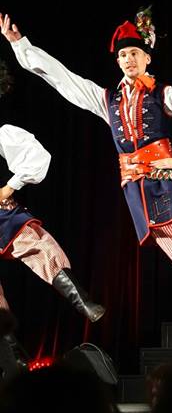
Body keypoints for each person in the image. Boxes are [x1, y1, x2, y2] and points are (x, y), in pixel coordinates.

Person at [1, 10, 172, 341]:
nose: (128, 59)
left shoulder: (162, 93)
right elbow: (63, 79)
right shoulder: (108, 100)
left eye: (134, 53)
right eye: (123, 55)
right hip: (138, 191)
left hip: (171, 181)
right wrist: (21, 45)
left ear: (147, 58)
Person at [0, 59, 104, 364]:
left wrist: (9, 186)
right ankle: (15, 360)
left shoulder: (3, 133)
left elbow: (36, 156)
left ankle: (81, 300)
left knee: (38, 243)